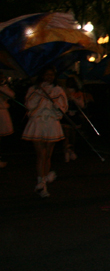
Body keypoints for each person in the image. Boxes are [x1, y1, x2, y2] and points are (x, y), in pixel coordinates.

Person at [22, 67, 68, 198]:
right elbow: (29, 105)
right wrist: (40, 97)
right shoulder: (34, 89)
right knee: (41, 154)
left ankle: (44, 178)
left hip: (51, 123)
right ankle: (41, 182)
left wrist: (56, 105)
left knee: (47, 154)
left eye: (51, 75)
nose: (49, 77)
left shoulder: (58, 90)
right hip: (38, 122)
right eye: (47, 74)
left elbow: (63, 107)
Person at [0, 77, 14, 167]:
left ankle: (2, 157)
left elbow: (11, 95)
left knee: (4, 136)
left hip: (2, 112)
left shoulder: (3, 87)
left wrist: (1, 87)